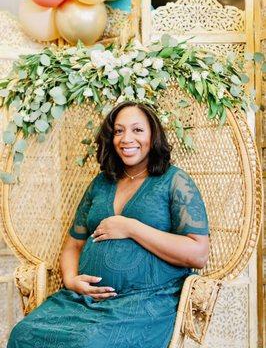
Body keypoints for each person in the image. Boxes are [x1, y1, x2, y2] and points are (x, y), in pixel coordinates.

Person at [8, 101, 209, 348]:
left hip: (144, 302)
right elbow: (73, 244)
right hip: (82, 302)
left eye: (137, 130)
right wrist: (71, 280)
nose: (127, 138)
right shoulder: (101, 183)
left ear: (153, 134)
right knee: (23, 333)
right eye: (119, 131)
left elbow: (198, 253)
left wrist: (131, 228)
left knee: (89, 343)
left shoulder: (174, 181)